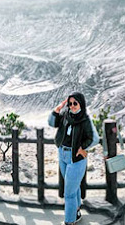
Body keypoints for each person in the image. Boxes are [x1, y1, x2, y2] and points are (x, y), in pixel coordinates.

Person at [48, 92, 99, 225]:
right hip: (63, 154)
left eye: (75, 103)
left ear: (81, 104)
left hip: (76, 159)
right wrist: (57, 110)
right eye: (70, 104)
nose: (72, 106)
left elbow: (94, 139)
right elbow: (52, 123)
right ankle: (76, 211)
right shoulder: (66, 115)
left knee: (69, 193)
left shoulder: (85, 120)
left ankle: (69, 221)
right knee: (73, 187)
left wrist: (83, 148)